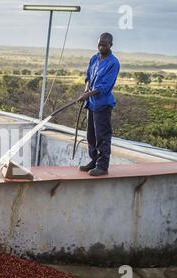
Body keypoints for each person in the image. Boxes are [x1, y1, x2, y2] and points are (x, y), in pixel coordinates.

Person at [78, 32, 120, 176]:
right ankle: (94, 160)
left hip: (102, 104)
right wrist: (85, 91)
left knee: (102, 136)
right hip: (91, 103)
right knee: (91, 135)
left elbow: (105, 86)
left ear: (110, 45)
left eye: (104, 45)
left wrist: (88, 94)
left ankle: (102, 166)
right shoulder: (94, 58)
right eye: (99, 44)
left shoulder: (113, 63)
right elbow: (88, 77)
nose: (101, 47)